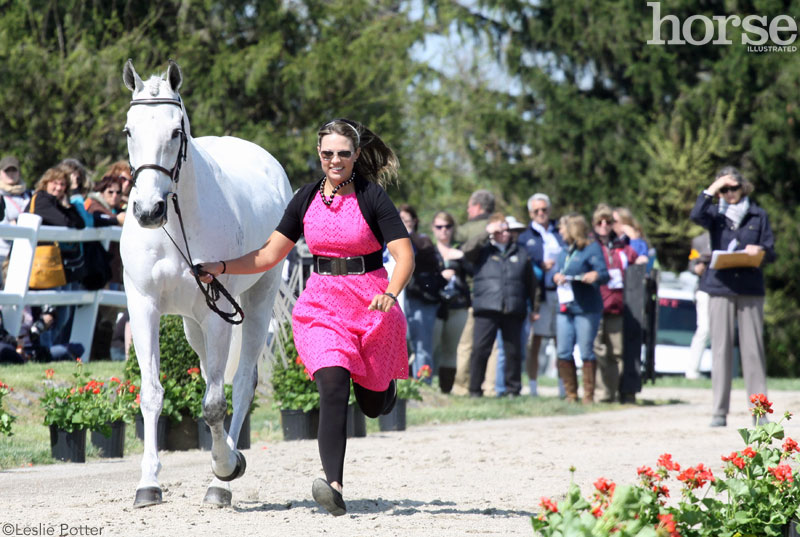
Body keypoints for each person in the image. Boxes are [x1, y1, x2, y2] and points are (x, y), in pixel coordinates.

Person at [198, 118, 413, 516]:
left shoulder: (372, 197)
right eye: (328, 153)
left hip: (371, 304)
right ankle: (332, 485)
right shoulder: (305, 198)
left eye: (344, 153)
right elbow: (267, 255)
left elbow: (404, 254)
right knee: (332, 386)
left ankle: (383, 391)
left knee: (372, 403)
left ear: (356, 155)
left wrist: (390, 293)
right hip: (322, 308)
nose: (335, 160)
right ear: (319, 154)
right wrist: (221, 266)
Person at [690, 166, 775, 427]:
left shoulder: (758, 215)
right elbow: (696, 215)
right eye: (724, 189)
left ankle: (759, 412)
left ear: (743, 187)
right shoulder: (714, 214)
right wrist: (713, 189)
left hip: (750, 288)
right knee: (720, 351)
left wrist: (758, 250)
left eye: (733, 188)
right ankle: (719, 411)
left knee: (753, 352)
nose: (729, 194)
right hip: (719, 287)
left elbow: (771, 253)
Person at [461, 213, 538, 397]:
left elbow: (531, 283)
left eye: (505, 227)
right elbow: (466, 251)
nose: (503, 232)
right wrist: (486, 234)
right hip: (486, 307)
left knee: (513, 351)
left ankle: (513, 390)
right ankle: (474, 390)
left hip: (513, 308)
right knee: (480, 350)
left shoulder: (521, 252)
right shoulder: (482, 250)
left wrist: (534, 308)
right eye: (498, 228)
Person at [24, 165, 86, 348]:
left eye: (62, 185)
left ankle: (48, 350)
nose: (58, 188)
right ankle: (43, 351)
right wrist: (65, 212)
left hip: (50, 266)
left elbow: (80, 223)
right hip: (36, 264)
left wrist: (67, 204)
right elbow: (64, 222)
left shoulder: (56, 203)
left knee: (60, 312)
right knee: (49, 312)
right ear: (46, 182)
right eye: (55, 183)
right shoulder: (42, 199)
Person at [553, 213, 609, 403]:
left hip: (586, 307)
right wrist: (556, 277)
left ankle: (588, 395)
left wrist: (594, 275)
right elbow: (559, 270)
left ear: (572, 229)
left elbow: (604, 274)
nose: (560, 231)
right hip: (565, 307)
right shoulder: (564, 250)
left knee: (586, 352)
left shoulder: (592, 248)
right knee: (563, 351)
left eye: (562, 228)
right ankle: (570, 394)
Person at [591, 204, 642, 403]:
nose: (604, 225)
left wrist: (636, 243)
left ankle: (613, 394)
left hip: (617, 306)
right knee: (598, 351)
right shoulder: (589, 245)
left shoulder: (622, 246)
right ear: (594, 224)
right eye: (599, 222)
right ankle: (600, 394)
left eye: (608, 222)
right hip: (595, 305)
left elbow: (639, 256)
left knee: (617, 352)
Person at [518, 193, 564, 397]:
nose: (541, 214)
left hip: (562, 293)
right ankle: (534, 387)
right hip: (539, 295)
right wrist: (540, 265)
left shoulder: (560, 232)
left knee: (561, 341)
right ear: (530, 213)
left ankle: (564, 387)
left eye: (544, 210)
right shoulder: (525, 237)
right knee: (535, 342)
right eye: (536, 211)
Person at [452, 189, 497, 396]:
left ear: (478, 207)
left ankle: (462, 387)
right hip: (495, 293)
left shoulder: (468, 229)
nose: (468, 210)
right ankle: (491, 387)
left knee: (467, 344)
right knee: (494, 347)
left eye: (469, 206)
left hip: (472, 292)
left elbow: (453, 247)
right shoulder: (499, 226)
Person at [400, 204, 445, 384]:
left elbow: (425, 257)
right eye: (400, 221)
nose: (404, 224)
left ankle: (423, 383)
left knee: (422, 344)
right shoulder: (389, 242)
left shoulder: (423, 240)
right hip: (399, 298)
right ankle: (400, 383)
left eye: (407, 220)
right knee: (401, 343)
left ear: (415, 221)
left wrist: (407, 236)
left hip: (421, 299)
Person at [430, 211, 470, 393]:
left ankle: (446, 391)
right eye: (439, 227)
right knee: (430, 347)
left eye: (447, 227)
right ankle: (425, 389)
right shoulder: (427, 250)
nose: (444, 231)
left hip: (457, 305)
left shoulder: (460, 250)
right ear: (433, 229)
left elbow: (472, 273)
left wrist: (461, 257)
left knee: (451, 350)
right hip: (434, 306)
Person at [0, 155, 32, 284]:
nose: (11, 174)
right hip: (4, 251)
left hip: (26, 250)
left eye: (14, 170)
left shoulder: (29, 194)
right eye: (7, 171)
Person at [685, 231, 711, 380]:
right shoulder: (699, 240)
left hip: (726, 290)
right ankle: (692, 370)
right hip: (704, 289)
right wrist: (697, 268)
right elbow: (692, 264)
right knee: (704, 329)